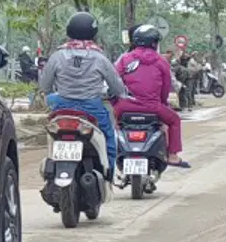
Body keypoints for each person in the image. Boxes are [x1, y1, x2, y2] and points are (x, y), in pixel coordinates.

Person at [39, 11, 127, 171]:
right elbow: (118, 88)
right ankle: (109, 172)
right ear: (93, 32)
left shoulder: (57, 56)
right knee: (109, 139)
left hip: (62, 108)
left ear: (69, 30)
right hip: (92, 109)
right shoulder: (100, 58)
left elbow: (45, 86)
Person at [114, 24, 190, 169]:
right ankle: (173, 156)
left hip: (125, 106)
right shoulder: (161, 61)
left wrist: (115, 103)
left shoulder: (125, 59)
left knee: (113, 124)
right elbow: (166, 87)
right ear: (155, 43)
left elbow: (114, 80)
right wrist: (162, 104)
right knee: (174, 120)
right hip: (152, 107)